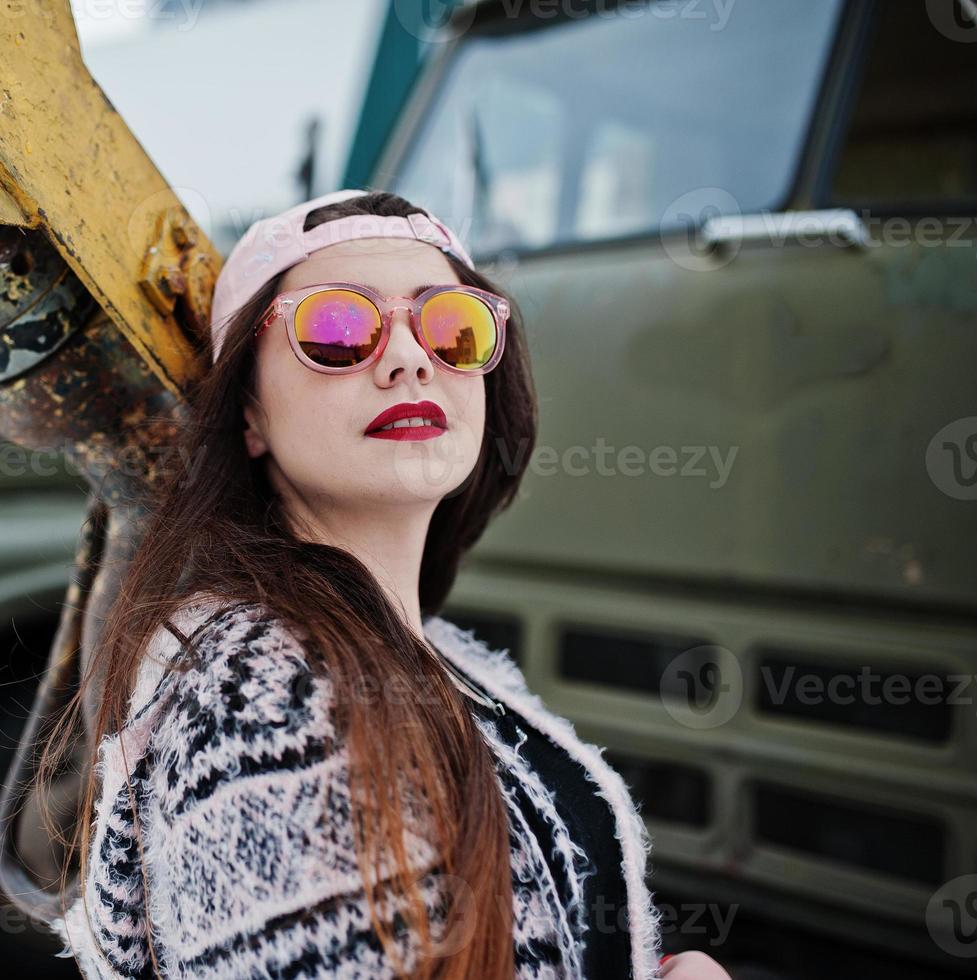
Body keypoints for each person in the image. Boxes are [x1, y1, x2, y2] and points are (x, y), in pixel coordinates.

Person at [37, 189, 732, 979]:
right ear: (249, 416)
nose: (408, 358)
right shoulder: (258, 704)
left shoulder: (432, 652)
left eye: (451, 328)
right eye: (336, 329)